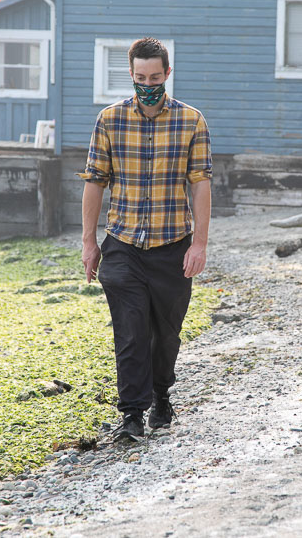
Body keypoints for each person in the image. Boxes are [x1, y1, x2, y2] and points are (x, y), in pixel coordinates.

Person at [80, 37, 213, 442]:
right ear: (131, 75)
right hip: (122, 244)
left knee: (166, 333)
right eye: (140, 77)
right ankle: (132, 414)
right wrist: (89, 242)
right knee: (131, 329)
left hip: (173, 244)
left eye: (155, 76)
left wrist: (200, 243)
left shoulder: (191, 121)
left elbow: (201, 185)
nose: (148, 84)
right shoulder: (110, 120)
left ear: (168, 73)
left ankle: (161, 393)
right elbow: (94, 182)